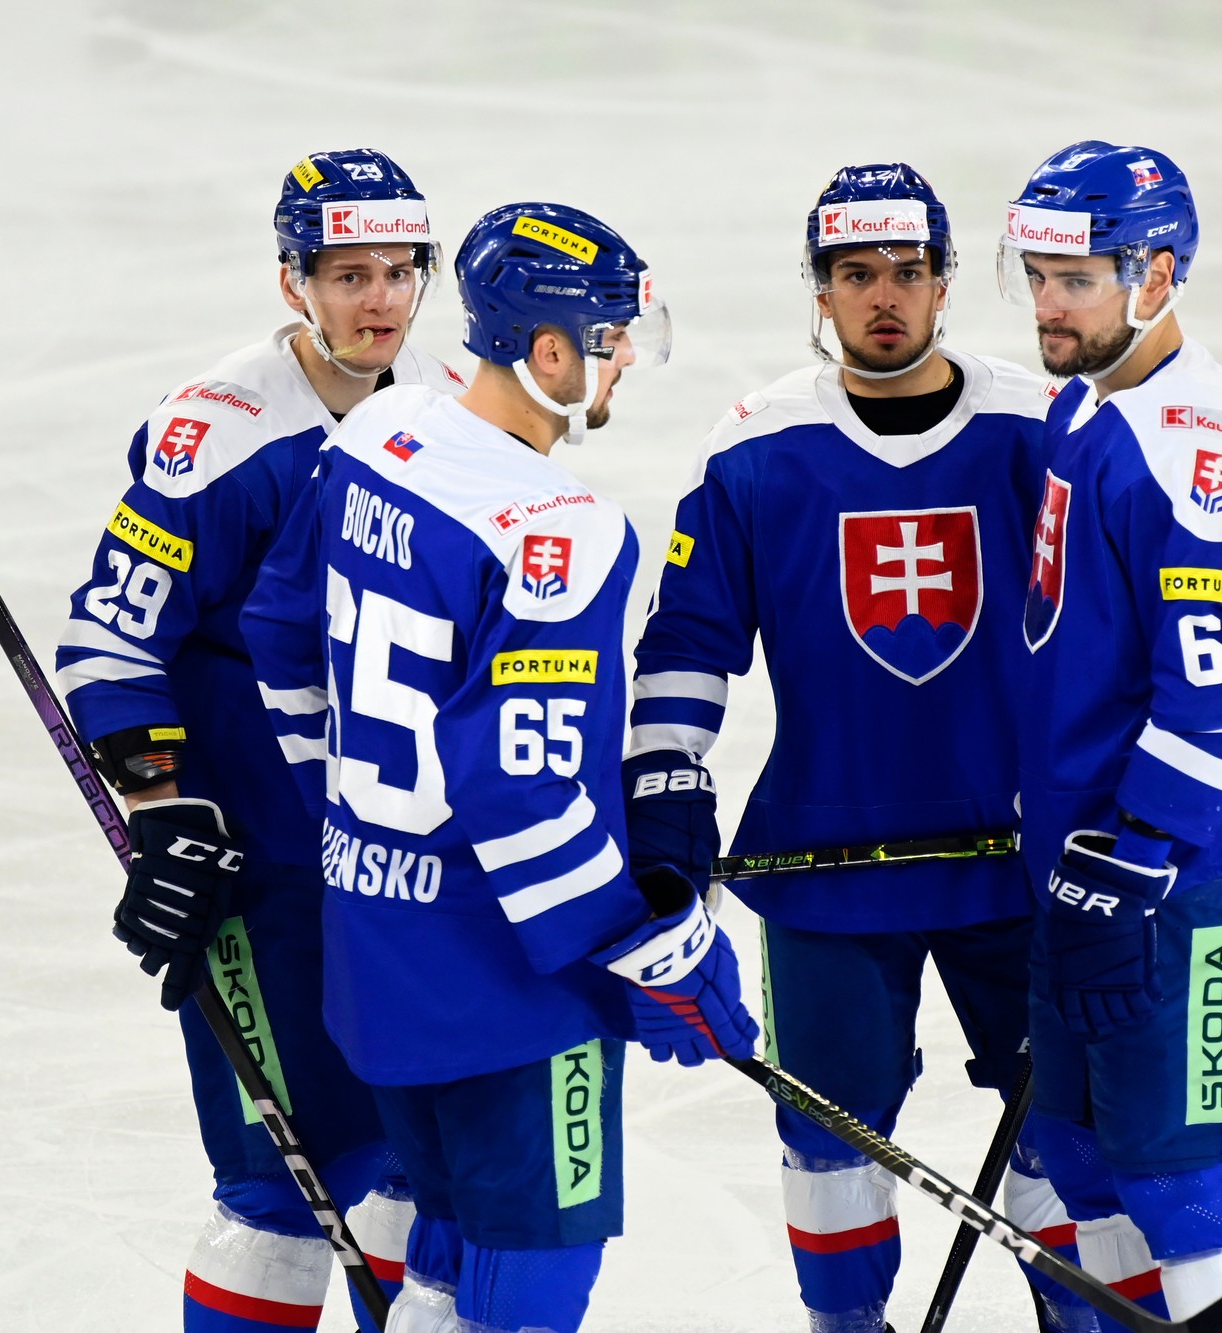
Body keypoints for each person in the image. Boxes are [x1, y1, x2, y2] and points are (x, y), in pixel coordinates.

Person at [241, 201, 757, 1333]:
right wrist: (660, 953)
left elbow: (277, 633)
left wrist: (353, 821)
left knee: (444, 1251)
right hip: (514, 988)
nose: (626, 360)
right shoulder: (555, 527)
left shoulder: (378, 438)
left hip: (376, 957)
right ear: (551, 352)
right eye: (613, 339)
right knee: (531, 1271)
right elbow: (522, 795)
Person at [623, 162, 1094, 1333]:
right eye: (853, 275)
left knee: (1067, 1128)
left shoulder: (1038, 432)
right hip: (827, 866)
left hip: (1019, 866)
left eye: (905, 271)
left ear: (945, 283)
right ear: (818, 293)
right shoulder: (755, 450)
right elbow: (687, 646)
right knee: (828, 1140)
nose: (881, 296)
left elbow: (1113, 627)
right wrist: (668, 817)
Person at [53, 148, 465, 1332]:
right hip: (260, 874)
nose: (379, 300)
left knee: (406, 1174)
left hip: (400, 867)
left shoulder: (448, 419)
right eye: (348, 274)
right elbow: (108, 640)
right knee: (278, 1190)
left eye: (400, 272)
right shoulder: (215, 434)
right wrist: (170, 806)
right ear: (294, 280)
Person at [997, 139, 1222, 1331]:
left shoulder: (1195, 444)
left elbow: (1219, 694)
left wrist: (1135, 856)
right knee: (1068, 1147)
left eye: (1078, 281)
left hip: (1190, 862)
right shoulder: (1081, 405)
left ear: (1155, 275)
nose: (1049, 307)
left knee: (1175, 1166)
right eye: (1036, 278)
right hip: (1097, 855)